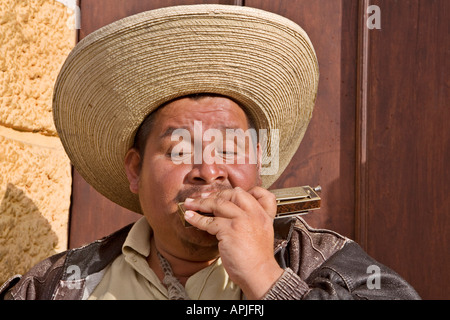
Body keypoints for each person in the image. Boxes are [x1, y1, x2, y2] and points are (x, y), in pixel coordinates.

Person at [0, 4, 419, 300]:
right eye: (180, 149)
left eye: (230, 147)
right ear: (135, 169)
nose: (207, 170)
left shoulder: (323, 263)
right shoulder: (55, 286)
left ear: (258, 163)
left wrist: (267, 280)